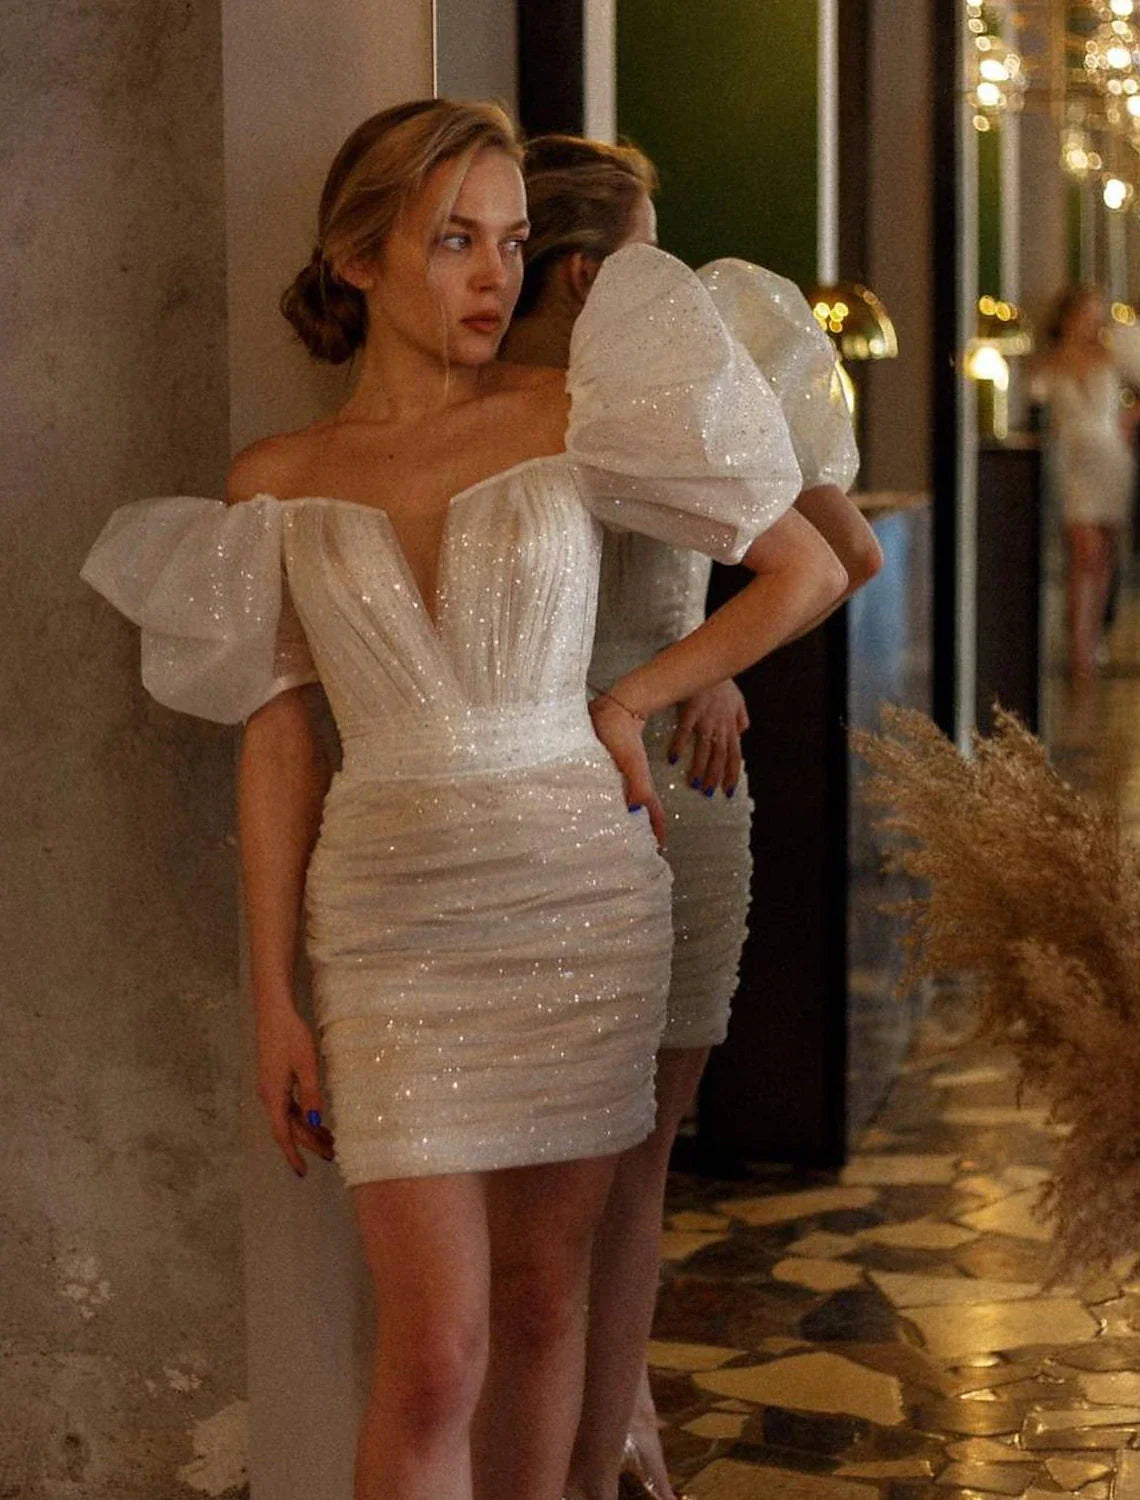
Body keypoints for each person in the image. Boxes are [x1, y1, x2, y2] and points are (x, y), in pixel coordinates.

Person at [81, 98, 848, 1500]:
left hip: (578, 900)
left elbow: (805, 567)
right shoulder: (276, 481)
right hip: (388, 929)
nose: (497, 275)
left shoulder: (574, 416)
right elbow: (279, 746)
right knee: (434, 1353)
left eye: (509, 240)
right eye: (454, 241)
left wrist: (631, 699)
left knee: (546, 1303)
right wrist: (274, 998)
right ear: (356, 257)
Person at [502, 133, 881, 1500]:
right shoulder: (471, 398)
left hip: (667, 775)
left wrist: (702, 669)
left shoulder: (698, 362)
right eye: (643, 253)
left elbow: (840, 556)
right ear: (586, 270)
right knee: (548, 1171)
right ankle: (581, 1424)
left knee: (643, 1151)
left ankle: (619, 1427)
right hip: (514, 794)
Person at [1030, 287, 1135, 681]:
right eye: (1084, 315)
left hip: (1111, 460)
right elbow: (1035, 399)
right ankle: (1079, 650)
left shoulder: (1110, 357)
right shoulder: (1050, 363)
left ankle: (1094, 638)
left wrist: (1128, 421)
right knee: (1083, 551)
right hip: (1074, 463)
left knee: (1103, 553)